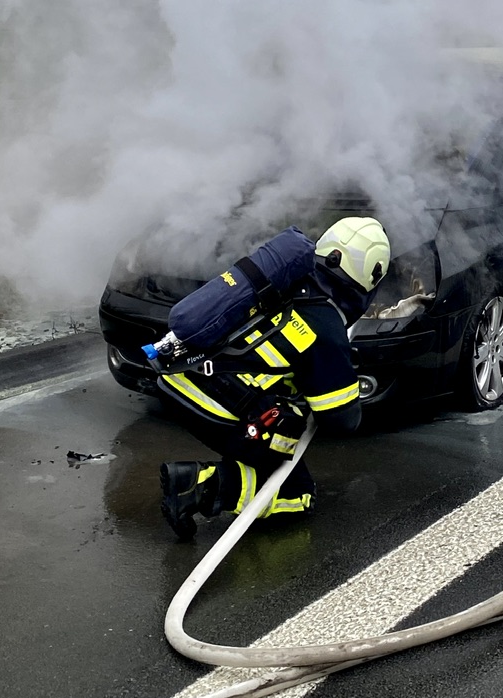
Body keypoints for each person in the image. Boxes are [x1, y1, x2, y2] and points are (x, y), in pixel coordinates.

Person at [157, 217, 391, 539]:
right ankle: (198, 484)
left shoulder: (286, 277)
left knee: (275, 443)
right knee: (297, 492)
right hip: (216, 407)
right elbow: (342, 419)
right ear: (370, 278)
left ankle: (210, 478)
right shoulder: (326, 327)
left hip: (181, 377)